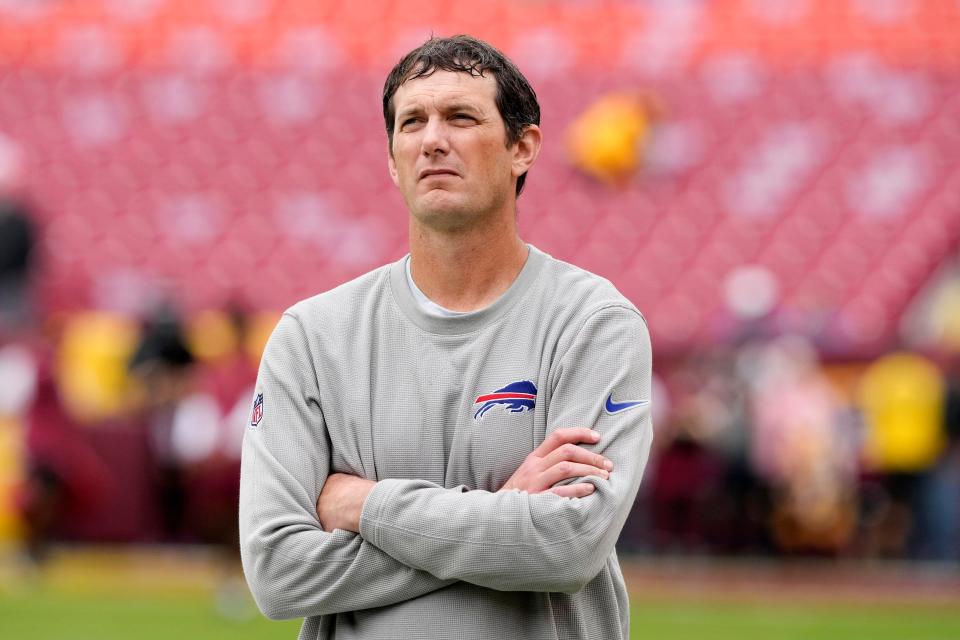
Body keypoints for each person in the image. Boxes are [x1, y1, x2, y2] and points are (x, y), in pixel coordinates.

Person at [239, 35, 653, 639]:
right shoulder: (313, 337)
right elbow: (278, 574)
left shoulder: (594, 324)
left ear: (523, 147)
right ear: (391, 157)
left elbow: (568, 547)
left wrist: (364, 506)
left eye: (461, 116)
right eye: (412, 122)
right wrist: (501, 512)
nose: (433, 139)